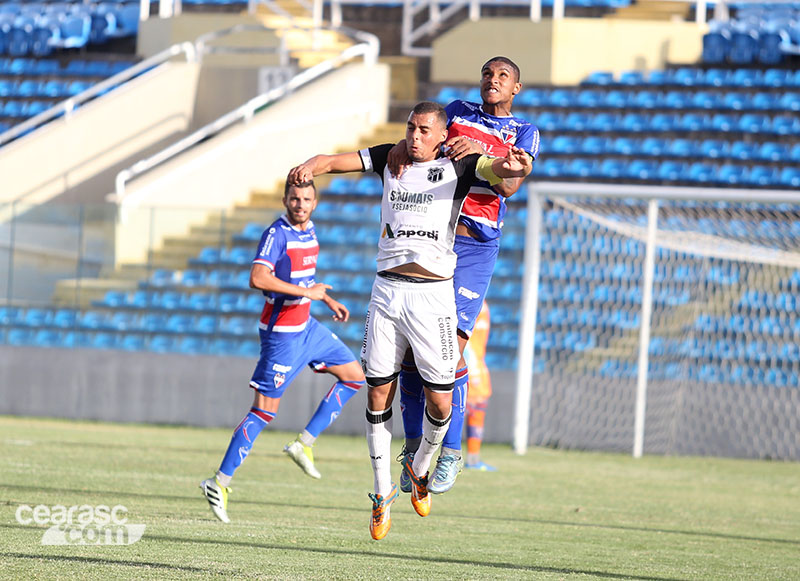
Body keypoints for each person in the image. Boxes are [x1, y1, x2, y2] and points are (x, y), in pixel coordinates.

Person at [287, 100, 532, 540]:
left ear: (442, 134)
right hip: (386, 294)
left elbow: (500, 172)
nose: (415, 137)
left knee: (441, 401)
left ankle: (421, 467)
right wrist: (310, 166)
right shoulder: (390, 157)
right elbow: (334, 161)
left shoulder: (461, 165)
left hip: (433, 298)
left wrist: (512, 166)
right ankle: (382, 493)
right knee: (378, 391)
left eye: (424, 131)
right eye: (410, 128)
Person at [390, 56, 539, 494]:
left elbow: (509, 185)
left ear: (516, 88)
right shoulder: (455, 111)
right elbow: (425, 143)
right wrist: (399, 146)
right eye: (488, 74)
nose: (493, 80)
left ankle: (451, 452)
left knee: (448, 352)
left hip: (475, 247)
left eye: (503, 76)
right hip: (435, 237)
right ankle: (414, 449)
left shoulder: (523, 132)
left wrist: (479, 152)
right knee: (410, 354)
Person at [200, 180, 366, 523]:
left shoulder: (310, 230)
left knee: (354, 376)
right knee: (264, 411)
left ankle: (304, 443)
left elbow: (304, 281)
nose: (300, 204)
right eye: (294, 198)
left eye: (306, 199)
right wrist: (309, 294)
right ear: (285, 200)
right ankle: (219, 482)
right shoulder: (276, 234)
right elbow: (258, 278)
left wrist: (325, 298)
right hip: (282, 335)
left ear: (315, 202)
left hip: (307, 327)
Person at [462, 300, 495, 471]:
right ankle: (466, 459)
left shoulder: (482, 302)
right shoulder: (470, 300)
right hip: (470, 363)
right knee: (472, 404)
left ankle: (472, 459)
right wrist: (472, 369)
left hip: (475, 361)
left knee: (477, 404)